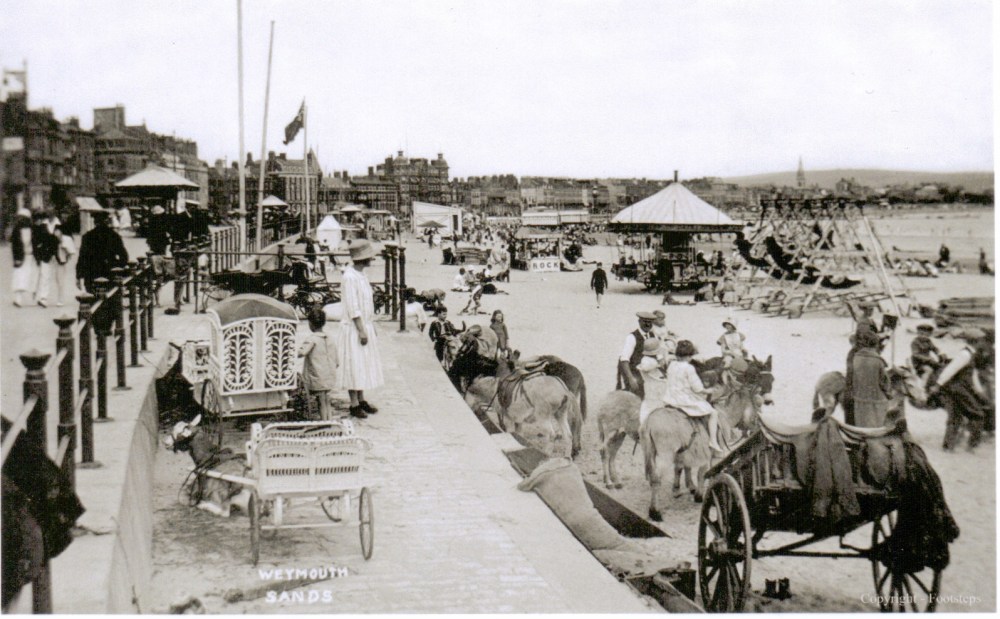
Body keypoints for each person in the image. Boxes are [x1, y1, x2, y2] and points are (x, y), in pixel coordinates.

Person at [336, 240, 384, 419]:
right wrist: (361, 330)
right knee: (353, 363)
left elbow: (366, 303)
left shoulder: (362, 275)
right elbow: (353, 306)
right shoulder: (349, 277)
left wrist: (370, 326)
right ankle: (354, 403)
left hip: (365, 324)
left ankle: (361, 398)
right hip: (353, 328)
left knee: (363, 363)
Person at [928, 329, 992, 452]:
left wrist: (979, 392)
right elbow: (950, 370)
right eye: (982, 340)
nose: (983, 343)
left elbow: (972, 374)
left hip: (955, 389)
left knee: (955, 417)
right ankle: (972, 447)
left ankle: (948, 447)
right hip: (959, 389)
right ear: (976, 341)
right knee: (978, 415)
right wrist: (938, 385)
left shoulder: (971, 354)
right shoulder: (965, 354)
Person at [662, 340, 722, 451]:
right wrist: (709, 391)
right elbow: (698, 389)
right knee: (714, 413)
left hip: (669, 398)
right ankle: (713, 441)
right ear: (689, 356)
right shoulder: (689, 368)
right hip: (684, 401)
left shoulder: (671, 365)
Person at [299, 307, 338, 421]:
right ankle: (329, 420)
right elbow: (337, 361)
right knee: (326, 400)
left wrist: (295, 351)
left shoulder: (312, 339)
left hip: (317, 376)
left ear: (311, 324)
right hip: (329, 376)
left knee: (321, 401)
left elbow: (302, 352)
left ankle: (324, 422)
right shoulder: (330, 338)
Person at [76, 211, 129, 294]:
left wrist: (79, 276)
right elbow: (124, 256)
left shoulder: (87, 236)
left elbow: (82, 258)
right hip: (110, 272)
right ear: (106, 221)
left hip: (92, 272)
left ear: (95, 222)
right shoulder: (114, 236)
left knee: (93, 297)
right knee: (110, 296)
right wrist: (117, 268)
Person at [851, 329, 892, 428]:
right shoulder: (878, 360)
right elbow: (884, 381)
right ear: (876, 344)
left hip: (859, 398)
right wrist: (888, 393)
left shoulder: (856, 357)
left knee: (862, 425)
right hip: (876, 400)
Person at [618, 311, 657, 397]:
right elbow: (624, 360)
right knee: (637, 394)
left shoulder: (652, 335)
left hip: (646, 370)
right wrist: (631, 378)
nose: (647, 324)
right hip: (633, 370)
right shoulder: (632, 337)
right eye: (645, 322)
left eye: (650, 322)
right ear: (639, 322)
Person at [636, 338, 668, 427]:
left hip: (652, 388)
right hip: (656, 389)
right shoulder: (649, 362)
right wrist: (660, 357)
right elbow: (661, 363)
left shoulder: (647, 359)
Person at [31, 210, 59, 307]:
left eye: (40, 219)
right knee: (38, 277)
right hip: (38, 257)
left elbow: (52, 241)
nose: (38, 221)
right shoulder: (36, 229)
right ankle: (38, 295)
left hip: (44, 256)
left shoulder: (43, 229)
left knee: (45, 277)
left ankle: (43, 298)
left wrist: (50, 252)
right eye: (36, 219)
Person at [10, 205, 35, 307]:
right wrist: (16, 258)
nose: (21, 220)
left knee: (31, 277)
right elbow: (14, 246)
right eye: (19, 218)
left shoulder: (32, 229)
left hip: (31, 257)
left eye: (22, 218)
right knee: (19, 277)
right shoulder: (16, 231)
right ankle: (18, 299)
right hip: (21, 258)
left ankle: (38, 297)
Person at [52, 225, 76, 306]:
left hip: (64, 262)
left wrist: (65, 248)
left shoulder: (67, 239)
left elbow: (72, 252)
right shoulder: (52, 239)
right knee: (56, 280)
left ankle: (60, 299)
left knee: (61, 281)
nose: (56, 233)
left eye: (58, 231)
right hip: (54, 262)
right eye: (55, 231)